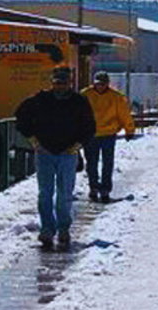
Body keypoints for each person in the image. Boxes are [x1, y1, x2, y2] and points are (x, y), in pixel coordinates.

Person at [16, 66, 96, 250]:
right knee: (45, 193)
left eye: (64, 82)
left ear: (70, 83)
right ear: (52, 82)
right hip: (44, 152)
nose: (60, 86)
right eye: (57, 82)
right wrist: (33, 140)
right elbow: (21, 117)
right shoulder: (40, 99)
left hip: (68, 153)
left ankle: (63, 229)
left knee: (64, 194)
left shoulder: (79, 101)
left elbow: (90, 126)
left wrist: (78, 144)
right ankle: (47, 229)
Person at [81, 71, 136, 202]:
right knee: (91, 164)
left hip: (108, 135)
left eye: (102, 84)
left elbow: (124, 114)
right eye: (98, 84)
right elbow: (77, 113)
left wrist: (129, 130)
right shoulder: (85, 95)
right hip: (90, 134)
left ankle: (105, 190)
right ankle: (93, 188)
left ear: (107, 84)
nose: (100, 86)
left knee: (107, 164)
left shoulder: (116, 97)